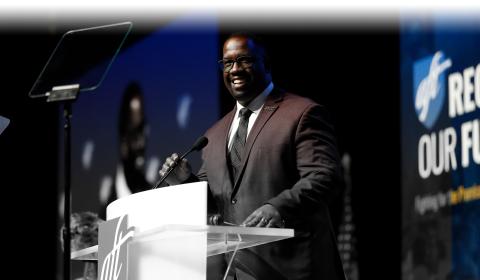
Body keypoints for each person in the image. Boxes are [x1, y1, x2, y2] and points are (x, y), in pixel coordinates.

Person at [159, 33, 346, 280]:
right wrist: (184, 181)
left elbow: (325, 177)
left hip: (296, 271)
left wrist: (277, 208)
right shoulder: (213, 135)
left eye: (244, 60)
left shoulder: (301, 114)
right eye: (227, 63)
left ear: (266, 64)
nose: (235, 69)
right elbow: (219, 200)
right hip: (239, 272)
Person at [99, 82, 150, 219]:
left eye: (142, 130)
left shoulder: (152, 197)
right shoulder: (107, 210)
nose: (141, 142)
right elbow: (108, 240)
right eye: (134, 131)